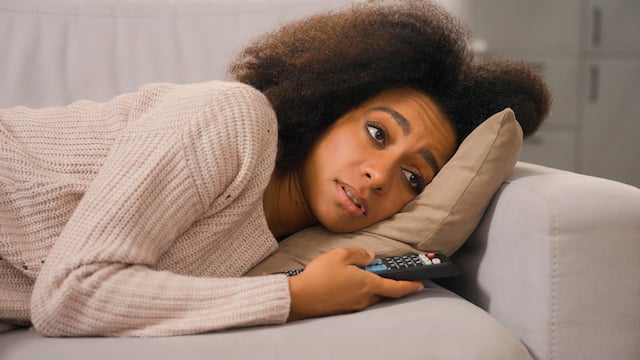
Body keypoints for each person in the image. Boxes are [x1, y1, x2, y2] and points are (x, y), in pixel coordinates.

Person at [0, 0, 550, 336]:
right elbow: (70, 295)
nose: (379, 176)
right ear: (330, 108)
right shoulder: (232, 119)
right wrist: (294, 298)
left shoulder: (285, 245)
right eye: (377, 134)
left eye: (413, 178)